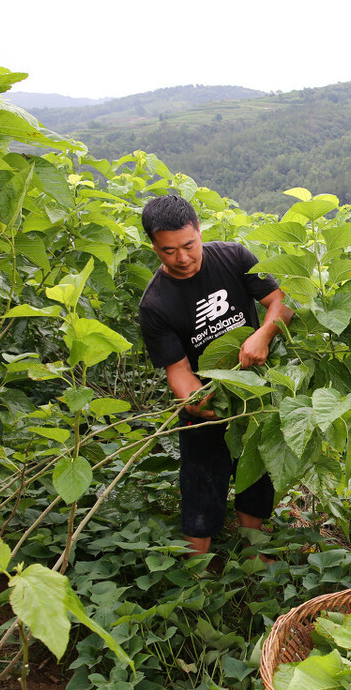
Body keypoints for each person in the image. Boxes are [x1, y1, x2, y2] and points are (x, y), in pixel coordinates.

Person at [137, 195, 294, 556]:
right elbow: (177, 371)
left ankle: (251, 554)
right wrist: (200, 403)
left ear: (199, 232)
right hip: (206, 404)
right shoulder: (156, 304)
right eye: (169, 251)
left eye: (189, 245)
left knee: (256, 472)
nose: (183, 258)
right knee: (201, 482)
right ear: (154, 247)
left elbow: (280, 302)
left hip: (256, 391)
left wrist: (263, 334)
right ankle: (199, 573)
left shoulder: (233, 257)